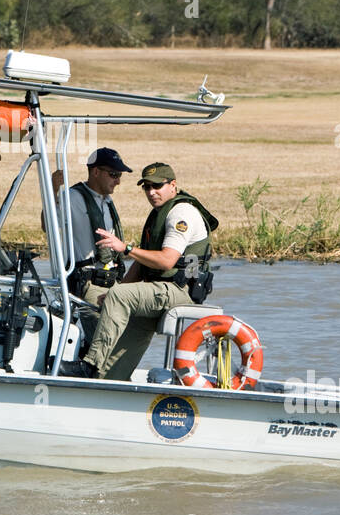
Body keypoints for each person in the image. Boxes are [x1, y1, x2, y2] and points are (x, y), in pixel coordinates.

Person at [59, 162, 218, 381]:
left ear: (173, 185)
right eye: (146, 187)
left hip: (180, 290)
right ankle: (104, 383)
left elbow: (166, 261)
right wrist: (116, 291)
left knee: (119, 297)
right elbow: (142, 265)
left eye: (157, 186)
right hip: (158, 290)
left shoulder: (181, 214)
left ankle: (89, 364)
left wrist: (125, 248)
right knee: (109, 372)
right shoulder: (159, 214)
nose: (151, 192)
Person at [51, 148, 133, 310]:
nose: (118, 181)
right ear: (96, 172)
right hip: (89, 283)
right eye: (113, 175)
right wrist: (54, 191)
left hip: (112, 280)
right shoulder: (72, 197)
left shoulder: (107, 201)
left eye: (119, 176)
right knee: (102, 331)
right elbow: (48, 225)